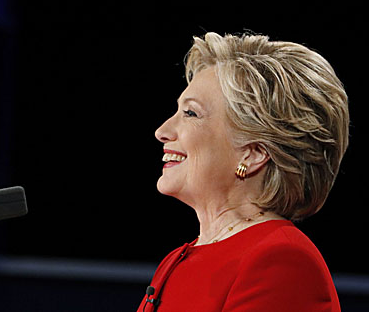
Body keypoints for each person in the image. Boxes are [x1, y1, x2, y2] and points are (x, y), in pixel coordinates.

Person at [138, 32, 349, 312]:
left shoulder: (281, 262)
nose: (162, 131)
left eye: (191, 114)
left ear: (253, 153)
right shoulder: (177, 260)